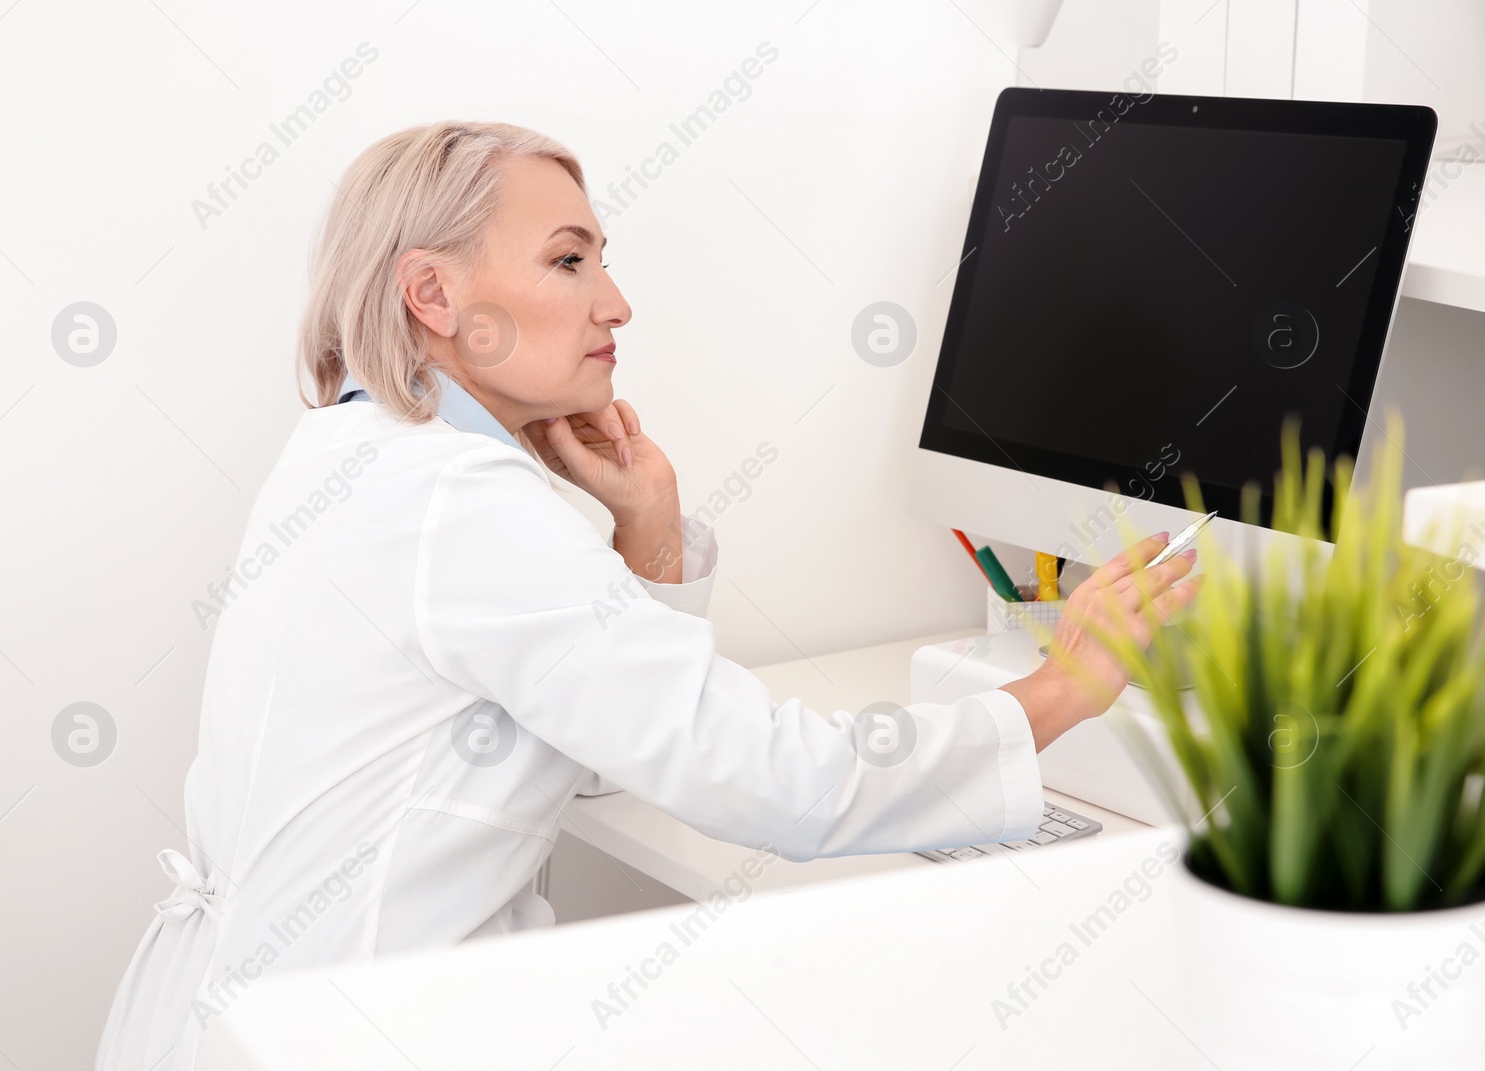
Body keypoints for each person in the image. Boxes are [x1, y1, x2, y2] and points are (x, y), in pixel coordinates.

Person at [95, 120, 1201, 1069]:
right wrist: (1066, 687)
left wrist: (649, 534)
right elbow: (780, 783)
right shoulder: (463, 507)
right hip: (354, 1030)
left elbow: (577, 750)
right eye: (569, 261)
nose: (615, 304)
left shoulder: (356, 451)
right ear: (432, 294)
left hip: (245, 1014)